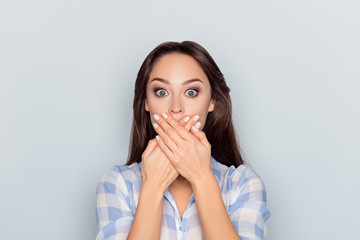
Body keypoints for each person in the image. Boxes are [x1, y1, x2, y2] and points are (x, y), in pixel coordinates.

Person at [95, 41, 270, 240]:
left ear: (212, 101)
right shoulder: (117, 184)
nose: (176, 108)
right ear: (146, 103)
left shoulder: (243, 183)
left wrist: (202, 178)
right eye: (161, 92)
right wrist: (153, 185)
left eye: (191, 92)